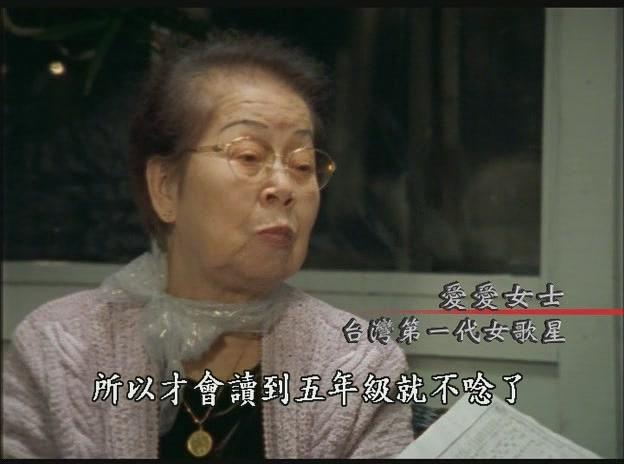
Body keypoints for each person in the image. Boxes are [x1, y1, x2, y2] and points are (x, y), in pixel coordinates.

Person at [2, 30, 414, 459]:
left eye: (302, 164)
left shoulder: (360, 366)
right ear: (165, 187)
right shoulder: (55, 349)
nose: (283, 186)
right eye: (249, 156)